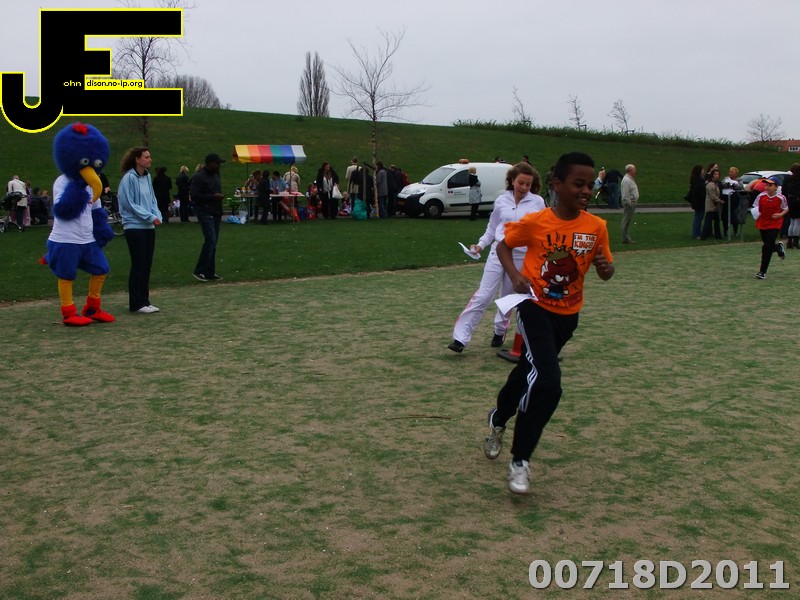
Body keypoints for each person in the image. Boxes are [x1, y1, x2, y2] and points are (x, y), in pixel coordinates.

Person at [483, 151, 615, 495]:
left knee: (527, 372)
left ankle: (498, 418)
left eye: (590, 184)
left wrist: (606, 269)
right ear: (557, 185)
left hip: (568, 318)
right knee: (548, 382)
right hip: (534, 309)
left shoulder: (596, 227)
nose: (586, 190)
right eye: (578, 183)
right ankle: (520, 460)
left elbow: (606, 270)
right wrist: (515, 276)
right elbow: (503, 247)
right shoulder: (537, 222)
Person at [448, 162, 545, 353]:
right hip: (497, 252)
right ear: (512, 180)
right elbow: (492, 228)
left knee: (507, 299)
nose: (524, 188)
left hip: (520, 256)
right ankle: (460, 338)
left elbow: (542, 231)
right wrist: (480, 245)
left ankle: (500, 331)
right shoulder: (501, 200)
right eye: (521, 183)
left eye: (528, 184)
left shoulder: (538, 203)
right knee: (483, 296)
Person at [117, 146, 163, 313]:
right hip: (134, 226)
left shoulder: (147, 176)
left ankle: (145, 300)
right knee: (138, 263)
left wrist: (157, 215)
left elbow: (152, 199)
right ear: (137, 159)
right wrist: (149, 216)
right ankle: (136, 303)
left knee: (147, 264)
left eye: (149, 157)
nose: (150, 160)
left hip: (148, 227)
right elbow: (129, 203)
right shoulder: (129, 178)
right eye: (146, 157)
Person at [190, 153, 225, 282]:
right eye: (217, 163)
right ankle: (199, 270)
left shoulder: (216, 175)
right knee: (210, 239)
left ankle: (210, 271)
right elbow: (194, 196)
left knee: (213, 242)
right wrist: (212, 197)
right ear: (210, 163)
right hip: (205, 211)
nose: (219, 165)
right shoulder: (199, 177)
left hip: (216, 211)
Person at [753, 177, 788, 279]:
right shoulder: (761, 196)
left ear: (776, 187)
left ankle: (762, 271)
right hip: (763, 223)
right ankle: (778, 247)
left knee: (767, 247)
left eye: (770, 185)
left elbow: (786, 208)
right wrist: (757, 214)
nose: (767, 187)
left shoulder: (781, 197)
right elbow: (755, 206)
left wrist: (780, 214)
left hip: (775, 223)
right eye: (766, 185)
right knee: (767, 245)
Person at [700, 168, 723, 240]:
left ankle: (718, 236)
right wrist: (720, 201)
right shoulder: (710, 185)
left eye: (718, 174)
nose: (717, 176)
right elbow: (713, 195)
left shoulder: (716, 184)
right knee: (708, 222)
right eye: (715, 174)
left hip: (715, 206)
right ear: (712, 175)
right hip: (711, 206)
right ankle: (703, 236)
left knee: (717, 221)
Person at [720, 166, 742, 237]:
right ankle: (725, 231)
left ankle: (735, 231)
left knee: (734, 215)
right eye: (730, 172)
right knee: (725, 216)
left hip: (734, 200)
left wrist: (733, 185)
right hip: (726, 200)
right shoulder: (726, 178)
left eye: (732, 172)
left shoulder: (739, 179)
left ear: (736, 173)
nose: (730, 173)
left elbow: (740, 187)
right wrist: (727, 184)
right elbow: (721, 184)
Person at [782, 163, 800, 249]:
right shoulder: (798, 179)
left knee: (792, 221)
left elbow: (784, 190)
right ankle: (796, 241)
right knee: (797, 222)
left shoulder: (787, 179)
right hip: (798, 201)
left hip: (789, 201)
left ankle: (789, 241)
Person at [686, 165, 706, 239]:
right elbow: (698, 191)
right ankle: (696, 234)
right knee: (698, 217)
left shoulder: (695, 179)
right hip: (699, 202)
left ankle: (697, 233)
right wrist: (704, 195)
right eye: (702, 170)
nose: (703, 171)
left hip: (697, 202)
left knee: (698, 217)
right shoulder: (699, 180)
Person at [620, 163, 638, 243]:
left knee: (627, 220)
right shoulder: (626, 180)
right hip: (629, 204)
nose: (635, 171)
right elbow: (625, 193)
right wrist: (629, 203)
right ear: (630, 170)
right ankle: (625, 238)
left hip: (631, 203)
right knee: (626, 220)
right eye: (634, 169)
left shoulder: (630, 179)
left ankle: (626, 237)